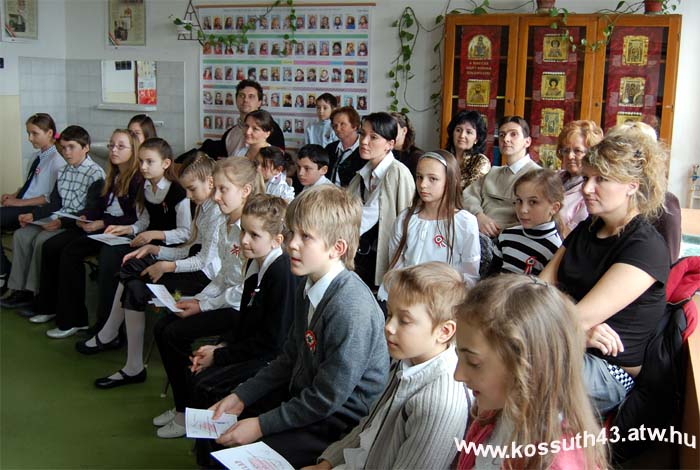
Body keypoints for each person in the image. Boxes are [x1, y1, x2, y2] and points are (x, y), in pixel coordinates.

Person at [208, 185, 389, 468]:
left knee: (237, 454)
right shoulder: (308, 283)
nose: (291, 244)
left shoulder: (351, 308)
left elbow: (327, 399)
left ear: (337, 248)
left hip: (342, 422)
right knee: (222, 425)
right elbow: (290, 356)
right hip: (307, 399)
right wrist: (243, 395)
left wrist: (261, 425)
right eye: (292, 233)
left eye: (306, 237)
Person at [540, 127, 670, 414]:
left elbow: (577, 317)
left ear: (632, 186)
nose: (587, 188)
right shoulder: (587, 228)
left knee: (514, 368)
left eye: (601, 179)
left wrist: (576, 324)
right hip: (565, 342)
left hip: (608, 370)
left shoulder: (646, 247)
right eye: (587, 178)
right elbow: (538, 290)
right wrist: (579, 330)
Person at [154, 194, 296, 438]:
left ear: (277, 240)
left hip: (270, 360)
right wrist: (220, 346)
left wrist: (219, 355)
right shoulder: (255, 264)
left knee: (205, 385)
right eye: (244, 232)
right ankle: (195, 427)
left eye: (254, 235)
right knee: (196, 372)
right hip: (254, 348)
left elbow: (271, 344)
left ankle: (210, 441)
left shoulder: (281, 274)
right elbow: (245, 322)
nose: (244, 240)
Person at [77, 154, 221, 387]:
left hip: (205, 281)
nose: (188, 195)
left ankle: (128, 358)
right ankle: (126, 356)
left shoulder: (217, 212)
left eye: (192, 189)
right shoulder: (203, 207)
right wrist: (156, 250)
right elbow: (189, 249)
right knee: (132, 270)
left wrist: (166, 265)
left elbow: (203, 261)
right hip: (191, 270)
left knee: (135, 286)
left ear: (210, 182)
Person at [309, 263, 470, 470]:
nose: (388, 327)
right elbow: (370, 426)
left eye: (404, 320)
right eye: (390, 314)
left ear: (444, 331)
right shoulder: (407, 360)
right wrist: (327, 463)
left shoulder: (438, 404)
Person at [454, 274, 607, 469]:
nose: (457, 375)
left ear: (527, 367)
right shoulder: (494, 411)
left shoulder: (556, 463)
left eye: (473, 362)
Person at [152, 157, 264, 403]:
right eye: (216, 189)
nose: (216, 196)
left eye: (223, 189)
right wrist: (198, 300)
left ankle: (186, 405)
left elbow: (244, 290)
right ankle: (184, 403)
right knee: (163, 326)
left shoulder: (252, 231)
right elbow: (224, 274)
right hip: (223, 299)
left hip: (239, 309)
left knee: (173, 334)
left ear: (245, 191)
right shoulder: (226, 223)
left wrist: (203, 305)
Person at [30, 129, 142, 335]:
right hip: (105, 229)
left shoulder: (137, 179)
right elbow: (99, 205)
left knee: (98, 257)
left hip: (123, 233)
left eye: (120, 146)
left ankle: (98, 324)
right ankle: (60, 313)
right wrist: (86, 216)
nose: (113, 150)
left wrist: (102, 222)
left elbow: (135, 218)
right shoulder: (113, 175)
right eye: (111, 145)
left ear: (133, 150)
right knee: (56, 247)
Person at [90, 138, 191, 333]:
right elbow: (144, 220)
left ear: (166, 163)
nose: (143, 167)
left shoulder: (178, 191)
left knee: (121, 262)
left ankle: (111, 328)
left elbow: (185, 233)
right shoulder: (143, 187)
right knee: (110, 253)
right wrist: (127, 229)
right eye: (141, 161)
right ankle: (107, 322)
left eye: (149, 162)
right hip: (146, 242)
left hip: (168, 248)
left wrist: (154, 234)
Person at [2, 127, 105, 312]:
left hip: (74, 223)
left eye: (71, 147)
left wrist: (61, 222)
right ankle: (19, 290)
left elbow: (91, 210)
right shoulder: (64, 170)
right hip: (57, 218)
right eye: (63, 147)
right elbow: (55, 202)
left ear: (86, 148)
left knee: (41, 241)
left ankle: (37, 294)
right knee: (21, 235)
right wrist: (33, 216)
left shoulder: (95, 174)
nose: (66, 152)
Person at [382, 150, 479, 301]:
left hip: (446, 302)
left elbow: (470, 277)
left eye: (433, 179)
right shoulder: (405, 219)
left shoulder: (465, 223)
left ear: (450, 181)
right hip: (407, 298)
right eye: (419, 177)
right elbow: (396, 269)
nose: (423, 185)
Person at [347, 113, 415, 290]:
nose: (364, 141)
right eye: (362, 134)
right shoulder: (362, 173)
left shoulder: (398, 173)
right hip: (363, 257)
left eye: (373, 137)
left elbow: (367, 216)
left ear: (390, 144)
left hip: (387, 260)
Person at [1, 113, 64, 292]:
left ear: (49, 133)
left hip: (38, 209)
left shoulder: (57, 160)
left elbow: (49, 197)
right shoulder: (37, 156)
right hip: (24, 203)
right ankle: (4, 269)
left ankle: (3, 272)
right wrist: (13, 195)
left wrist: (16, 203)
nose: (30, 138)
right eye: (28, 133)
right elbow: (30, 184)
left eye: (34, 133)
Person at [463, 116, 539, 237]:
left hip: (511, 238)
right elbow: (468, 195)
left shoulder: (537, 176)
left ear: (527, 142)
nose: (506, 139)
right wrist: (478, 216)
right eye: (502, 135)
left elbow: (535, 217)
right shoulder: (493, 172)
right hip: (476, 231)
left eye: (513, 134)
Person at [488, 169, 563, 276]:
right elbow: (491, 276)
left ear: (554, 208)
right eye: (519, 201)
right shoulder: (506, 235)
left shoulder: (555, 250)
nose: (523, 210)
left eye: (533, 202)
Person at [197, 80, 285, 160]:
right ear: (236, 99)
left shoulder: (272, 130)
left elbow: (277, 164)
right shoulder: (230, 133)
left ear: (259, 102)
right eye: (241, 95)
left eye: (251, 96)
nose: (245, 100)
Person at [556, 120, 604, 238]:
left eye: (577, 151)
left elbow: (572, 236)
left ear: (591, 154)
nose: (570, 156)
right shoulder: (552, 178)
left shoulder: (591, 191)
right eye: (566, 150)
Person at [445, 110, 491, 191]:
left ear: (476, 139)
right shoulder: (444, 157)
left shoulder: (480, 161)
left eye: (469, 132)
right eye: (458, 130)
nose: (462, 135)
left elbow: (470, 192)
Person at [325, 107, 363, 188]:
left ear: (354, 126)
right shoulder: (330, 148)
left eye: (342, 124)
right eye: (335, 125)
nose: (337, 129)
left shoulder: (364, 150)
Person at [390, 112, 423, 177]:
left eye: (393, 127)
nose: (387, 131)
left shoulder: (416, 157)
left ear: (404, 130)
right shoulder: (385, 152)